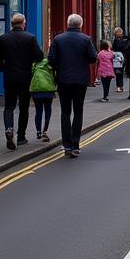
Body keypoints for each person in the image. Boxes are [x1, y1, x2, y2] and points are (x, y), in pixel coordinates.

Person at [48, 14, 97, 158]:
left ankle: (67, 145)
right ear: (80, 25)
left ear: (67, 23)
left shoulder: (58, 39)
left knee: (65, 112)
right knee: (78, 111)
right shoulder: (86, 39)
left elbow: (51, 60)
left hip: (63, 79)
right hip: (80, 80)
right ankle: (75, 145)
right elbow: (93, 58)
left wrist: (61, 67)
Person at [0, 12, 43, 150]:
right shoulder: (30, 38)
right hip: (25, 77)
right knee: (24, 107)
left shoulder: (4, 38)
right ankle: (21, 137)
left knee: (9, 106)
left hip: (10, 77)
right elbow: (39, 56)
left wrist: (4, 68)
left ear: (11, 24)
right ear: (24, 24)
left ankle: (9, 128)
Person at [29, 53, 57, 141]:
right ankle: (45, 131)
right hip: (48, 90)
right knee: (48, 110)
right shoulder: (50, 65)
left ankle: (38, 131)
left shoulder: (34, 65)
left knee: (38, 111)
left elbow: (31, 76)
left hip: (36, 90)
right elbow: (55, 76)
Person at [111, 27, 129, 93]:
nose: (117, 34)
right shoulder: (116, 39)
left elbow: (123, 47)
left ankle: (119, 86)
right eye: (116, 33)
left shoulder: (124, 39)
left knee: (119, 72)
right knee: (118, 72)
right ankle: (119, 86)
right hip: (117, 58)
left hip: (122, 58)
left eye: (118, 32)